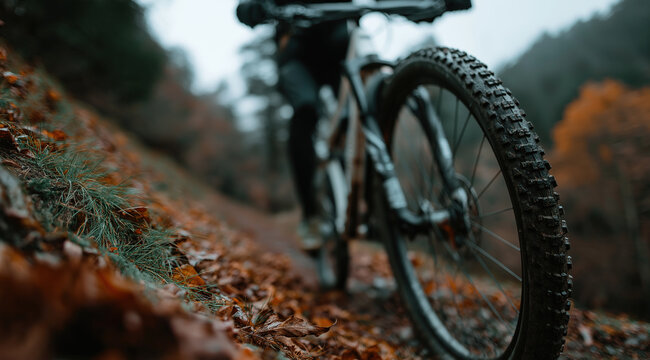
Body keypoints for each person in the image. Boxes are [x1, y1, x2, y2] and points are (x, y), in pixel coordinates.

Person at [236, 0, 471, 251]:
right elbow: (246, 8)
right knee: (306, 109)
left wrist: (429, 3)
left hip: (340, 49)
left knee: (367, 107)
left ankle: (376, 205)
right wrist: (256, 8)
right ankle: (310, 216)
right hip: (297, 55)